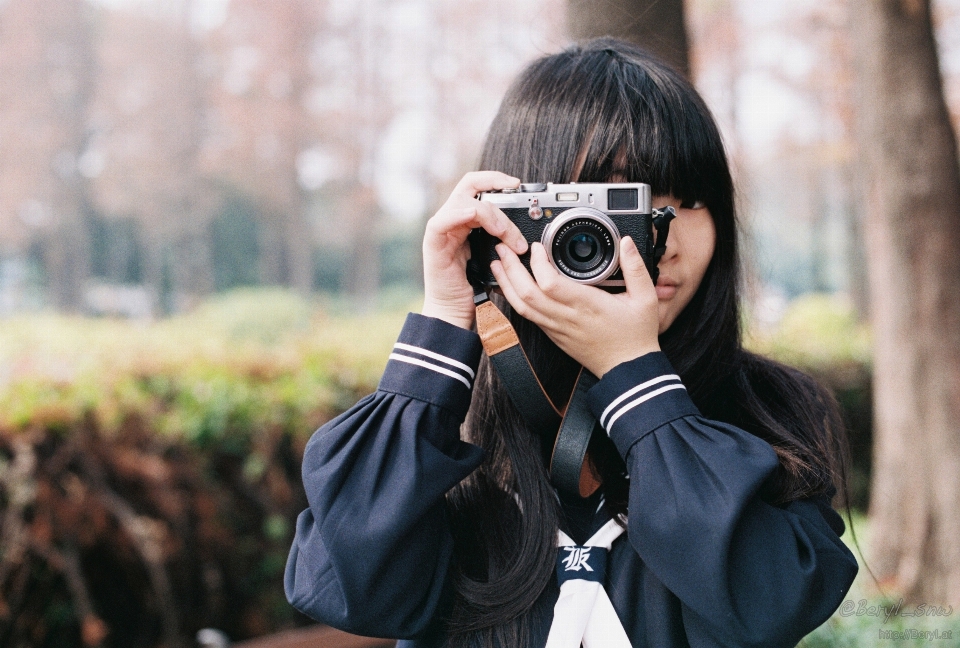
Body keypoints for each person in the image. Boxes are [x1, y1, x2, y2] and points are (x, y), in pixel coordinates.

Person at [285, 38, 859, 648]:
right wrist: (444, 328)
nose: (654, 243)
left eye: (687, 201)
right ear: (522, 213)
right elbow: (349, 589)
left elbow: (772, 601)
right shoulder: (447, 422)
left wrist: (637, 380)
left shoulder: (772, 409)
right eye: (612, 206)